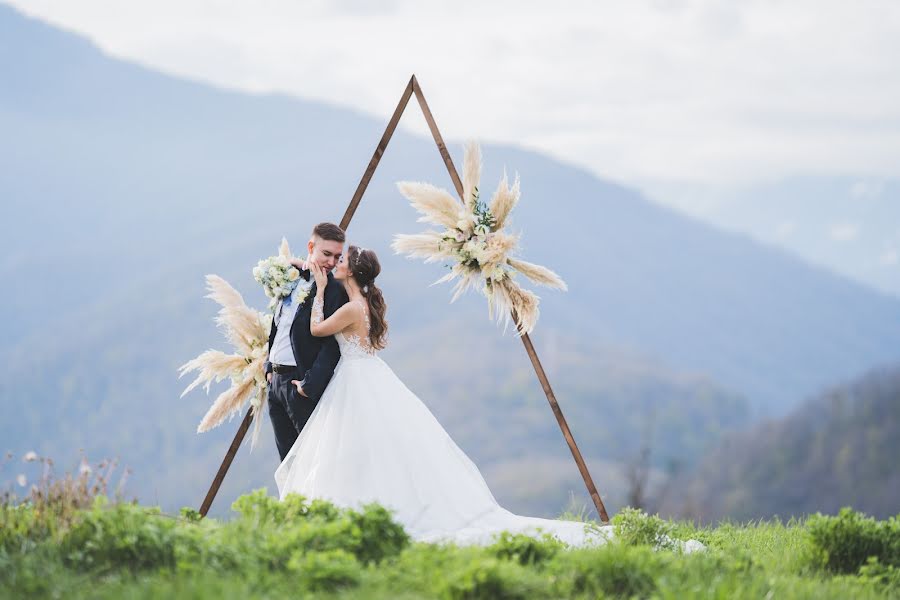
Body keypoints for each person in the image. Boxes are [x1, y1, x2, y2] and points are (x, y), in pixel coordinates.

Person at [274, 244, 612, 546]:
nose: (337, 263)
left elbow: (317, 328)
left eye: (342, 259)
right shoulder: (359, 303)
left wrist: (319, 290)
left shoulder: (351, 308)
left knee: (353, 447)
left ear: (353, 270)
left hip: (355, 379)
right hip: (364, 376)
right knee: (365, 448)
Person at [264, 222, 348, 461]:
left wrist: (308, 385)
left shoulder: (334, 291)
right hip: (275, 385)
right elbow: (278, 323)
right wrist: (268, 369)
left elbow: (333, 345)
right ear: (311, 247)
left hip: (299, 384)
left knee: (312, 461)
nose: (332, 262)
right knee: (288, 462)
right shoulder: (289, 277)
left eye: (337, 257)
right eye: (327, 254)